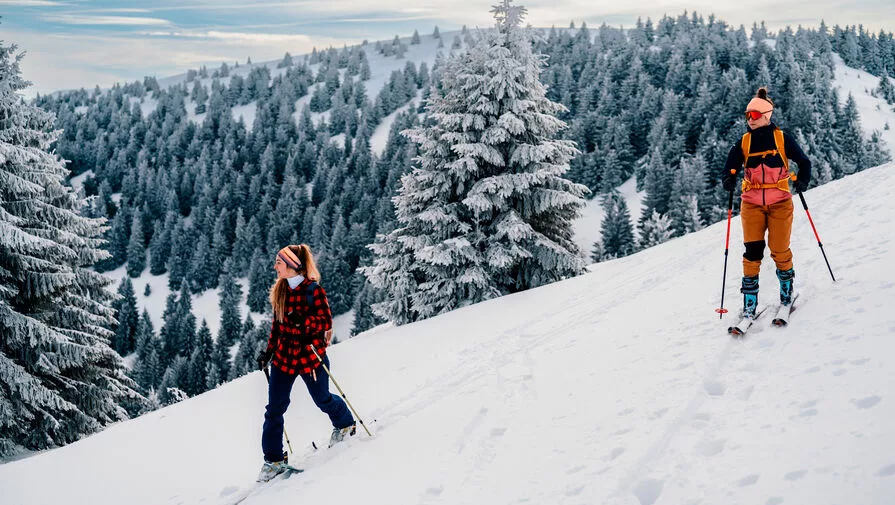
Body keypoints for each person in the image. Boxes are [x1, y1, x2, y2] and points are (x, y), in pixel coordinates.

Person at [256, 244, 355, 482]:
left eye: (279, 262)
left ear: (291, 265)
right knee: (274, 409)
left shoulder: (313, 290)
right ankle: (273, 460)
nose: (275, 266)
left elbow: (325, 322)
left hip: (310, 355)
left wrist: (304, 322)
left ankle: (345, 424)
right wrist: (268, 353)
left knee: (322, 398)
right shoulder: (280, 291)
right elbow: (277, 327)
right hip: (284, 357)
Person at [722, 87, 811, 320]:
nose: (749, 120)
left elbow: (804, 161)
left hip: (780, 202)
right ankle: (749, 304)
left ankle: (786, 294)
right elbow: (729, 166)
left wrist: (803, 180)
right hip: (752, 204)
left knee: (779, 249)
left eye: (753, 115)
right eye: (747, 115)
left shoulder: (782, 139)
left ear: (766, 115)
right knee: (752, 252)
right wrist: (728, 178)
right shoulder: (743, 142)